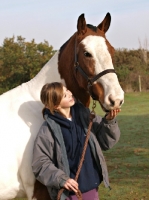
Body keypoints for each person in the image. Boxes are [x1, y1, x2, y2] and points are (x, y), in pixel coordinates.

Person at [32, 82, 121, 200]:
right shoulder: (47, 130)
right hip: (70, 193)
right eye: (64, 95)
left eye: (67, 90)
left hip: (92, 187)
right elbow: (40, 163)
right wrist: (61, 180)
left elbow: (106, 142)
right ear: (55, 106)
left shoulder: (85, 116)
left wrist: (109, 121)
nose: (70, 94)